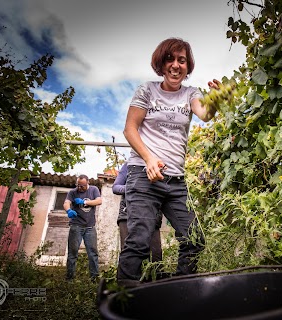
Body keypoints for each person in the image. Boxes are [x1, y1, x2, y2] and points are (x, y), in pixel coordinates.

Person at [117, 37, 221, 287]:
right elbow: (130, 129)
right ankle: (123, 296)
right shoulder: (147, 90)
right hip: (144, 176)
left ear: (187, 66)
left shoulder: (190, 94)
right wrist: (149, 158)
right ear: (161, 64)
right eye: (170, 59)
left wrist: (216, 99)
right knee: (140, 239)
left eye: (182, 60)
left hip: (176, 182)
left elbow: (205, 114)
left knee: (194, 239)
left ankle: (180, 289)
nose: (176, 65)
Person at [113, 162, 163, 262]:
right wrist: (134, 187)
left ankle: (155, 277)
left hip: (153, 216)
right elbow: (116, 187)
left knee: (155, 255)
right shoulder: (129, 164)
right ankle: (127, 277)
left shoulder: (162, 165)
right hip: (128, 215)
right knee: (129, 253)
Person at [63, 174, 102, 281]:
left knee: (93, 253)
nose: (79, 188)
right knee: (73, 253)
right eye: (78, 185)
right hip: (76, 226)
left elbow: (99, 201)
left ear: (87, 183)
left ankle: (94, 278)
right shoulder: (73, 192)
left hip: (90, 227)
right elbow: (66, 203)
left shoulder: (93, 190)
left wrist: (84, 202)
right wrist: (68, 210)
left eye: (82, 186)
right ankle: (69, 279)